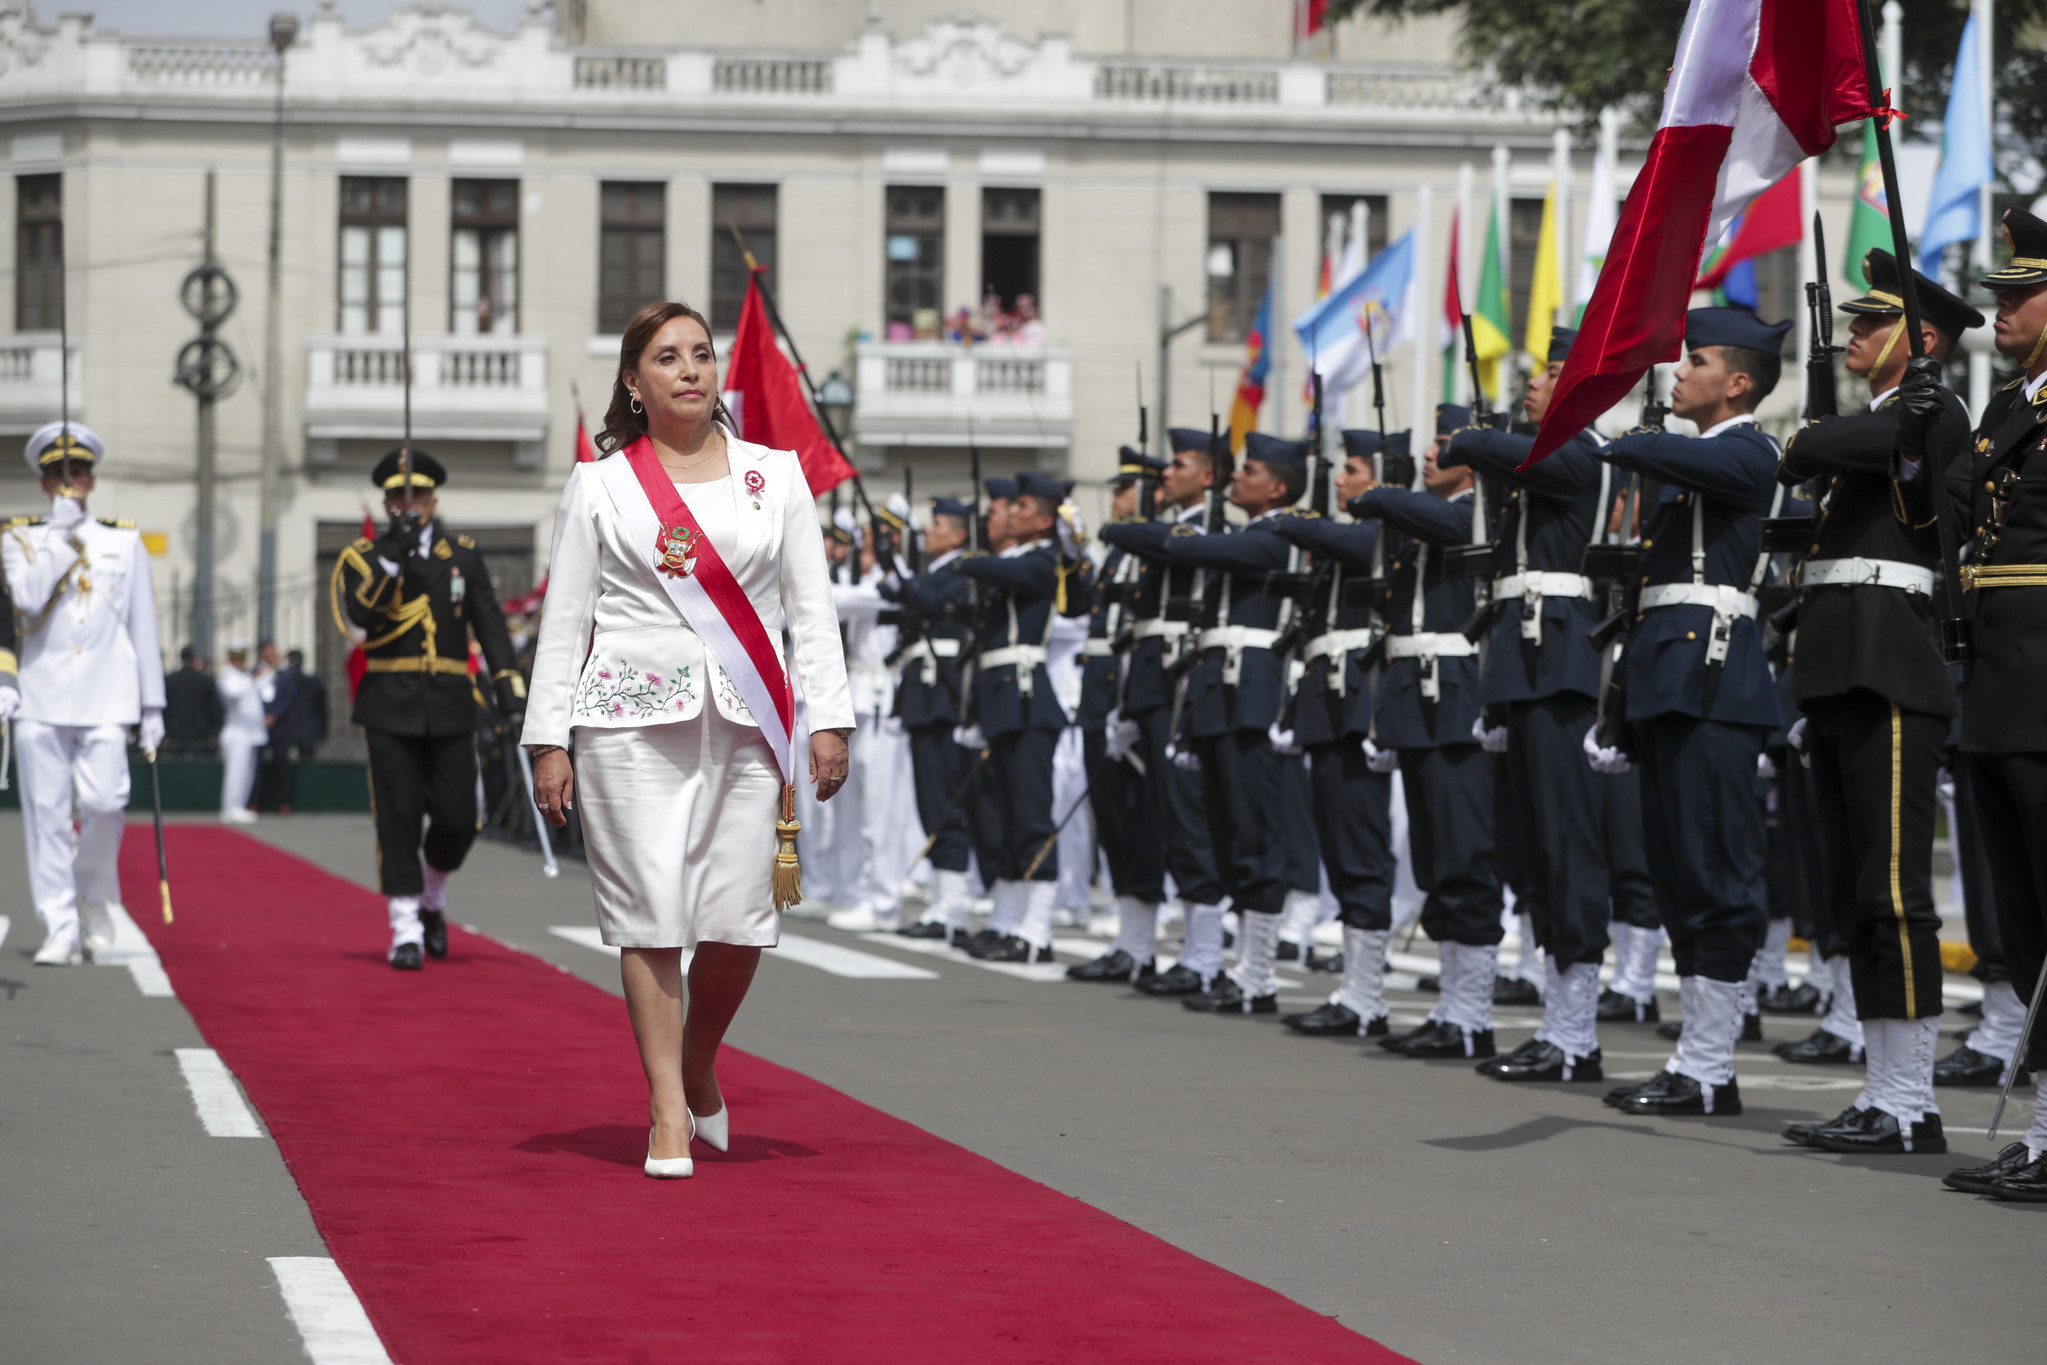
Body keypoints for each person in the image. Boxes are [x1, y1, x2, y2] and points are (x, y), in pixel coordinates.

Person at [523, 300, 853, 1179]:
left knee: (741, 919)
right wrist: (546, 736)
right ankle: (668, 1105)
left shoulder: (773, 476)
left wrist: (828, 717)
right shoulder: (601, 484)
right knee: (651, 915)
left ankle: (700, 1056)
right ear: (634, 381)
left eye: (701, 353)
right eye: (667, 357)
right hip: (628, 722)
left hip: (748, 721)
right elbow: (566, 619)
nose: (690, 369)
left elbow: (810, 612)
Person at [1769, 249, 1978, 1157]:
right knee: (1856, 891)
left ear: (1920, 339)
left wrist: (1826, 431)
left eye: (1870, 323)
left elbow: (1809, 448)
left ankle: (1907, 1102)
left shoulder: (1937, 414)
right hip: (1840, 662)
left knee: (1895, 894)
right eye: (1850, 324)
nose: (1852, 335)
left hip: (1890, 664)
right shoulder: (1894, 419)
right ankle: (1883, 1092)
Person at [1590, 307, 1789, 1119]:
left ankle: (1710, 1064)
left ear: (1736, 382)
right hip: (1665, 679)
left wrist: (1621, 435)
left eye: (1694, 359)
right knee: (1672, 874)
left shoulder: (1748, 448)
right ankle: (1696, 1058)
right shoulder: (1691, 457)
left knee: (1714, 874)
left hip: (1709, 679)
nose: (1679, 371)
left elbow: (1662, 454)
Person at [1439, 327, 1615, 1083]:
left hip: (1559, 667)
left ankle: (1576, 1032)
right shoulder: (1536, 460)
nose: (1534, 383)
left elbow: (1510, 453)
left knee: (1567, 849)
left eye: (1550, 373)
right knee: (1530, 850)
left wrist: (1472, 437)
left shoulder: (1580, 452)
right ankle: (1557, 1021)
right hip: (1519, 668)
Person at [1105, 432, 1307, 1015]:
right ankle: (1240, 967)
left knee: (1254, 836)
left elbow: (1192, 551)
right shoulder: (1249, 533)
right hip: (1219, 698)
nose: (1238, 478)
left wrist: (1125, 527)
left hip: (1254, 699)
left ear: (1279, 486)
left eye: (1251, 470)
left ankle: (1258, 974)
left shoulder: (1280, 533)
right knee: (1226, 833)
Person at [1940, 209, 2047, 1200]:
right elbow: (1954, 499)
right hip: (2001, 686)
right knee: (2020, 922)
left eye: (2020, 293)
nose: (2000, 308)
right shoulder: (2012, 404)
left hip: (2044, 681)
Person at [328, 444, 523, 969]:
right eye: (398, 496)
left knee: (461, 818)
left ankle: (433, 895)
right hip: (390, 704)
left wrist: (510, 691)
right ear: (387, 502)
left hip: (451, 702)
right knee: (398, 817)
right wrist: (392, 556)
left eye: (417, 495)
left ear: (434, 500)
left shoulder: (461, 554)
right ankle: (405, 926)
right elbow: (360, 624)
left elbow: (489, 624)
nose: (408, 504)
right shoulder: (362, 559)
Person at [1349, 405, 1502, 1059]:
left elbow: (1450, 526)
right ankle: (1450, 1004)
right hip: (1415, 698)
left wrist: (1378, 493)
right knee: (1435, 855)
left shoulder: (1487, 508)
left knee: (1465, 854)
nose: (1435, 454)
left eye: (1449, 444)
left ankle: (1472, 1011)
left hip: (1459, 694)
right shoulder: (1414, 523)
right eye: (1433, 444)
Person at [0, 421, 164, 966]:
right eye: (58, 474)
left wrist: (153, 704)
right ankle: (59, 922)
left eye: (78, 472)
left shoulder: (125, 539)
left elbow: (143, 626)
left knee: (104, 802)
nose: (70, 481)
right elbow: (24, 601)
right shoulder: (20, 537)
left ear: (91, 479)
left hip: (107, 694)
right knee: (45, 815)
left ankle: (94, 892)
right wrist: (60, 542)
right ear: (45, 484)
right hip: (42, 695)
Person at [1269, 428, 1401, 1037]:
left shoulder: (1382, 530)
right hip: (1327, 704)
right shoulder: (1339, 539)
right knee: (1341, 852)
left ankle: (1368, 992)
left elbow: (1340, 536)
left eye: (1353, 471)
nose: (1344, 482)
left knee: (1361, 849)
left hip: (1359, 707)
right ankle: (1356, 986)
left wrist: (1290, 511)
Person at [1101, 429, 1231, 997]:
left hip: (1185, 686)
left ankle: (1205, 955)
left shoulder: (1208, 530)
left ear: (1207, 476)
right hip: (1151, 687)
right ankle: (1174, 947)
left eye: (1175, 466)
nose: (1162, 478)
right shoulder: (1168, 532)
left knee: (1189, 821)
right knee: (1156, 819)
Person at [949, 470, 1071, 963]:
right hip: (998, 702)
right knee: (1000, 817)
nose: (1009, 514)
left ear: (1043, 520)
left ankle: (1037, 930)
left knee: (1031, 814)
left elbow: (1022, 577)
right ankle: (1007, 921)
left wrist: (972, 561)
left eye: (1021, 508)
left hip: (1027, 701)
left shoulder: (1043, 559)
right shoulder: (1005, 564)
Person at [1068, 453, 1169, 984]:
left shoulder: (1148, 549)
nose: (1117, 497)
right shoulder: (1116, 553)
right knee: (1113, 821)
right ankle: (1128, 940)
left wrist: (1125, 704)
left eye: (1127, 488)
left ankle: (1144, 943)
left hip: (1127, 692)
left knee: (1140, 820)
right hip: (1098, 693)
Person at [885, 496, 977, 943]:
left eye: (936, 523)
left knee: (945, 807)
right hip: (924, 697)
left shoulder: (962, 572)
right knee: (931, 803)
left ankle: (953, 909)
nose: (928, 530)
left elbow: (926, 601)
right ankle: (944, 905)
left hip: (944, 696)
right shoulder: (935, 571)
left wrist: (901, 577)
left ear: (958, 534)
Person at [216, 643, 267, 825]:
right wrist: (252, 680)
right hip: (236, 733)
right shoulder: (228, 676)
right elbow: (232, 693)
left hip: (251, 733)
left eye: (243, 659)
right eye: (238, 659)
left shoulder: (244, 676)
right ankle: (230, 807)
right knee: (236, 773)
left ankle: (240, 805)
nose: (241, 662)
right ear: (231, 659)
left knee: (246, 773)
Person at [162, 645, 222, 757]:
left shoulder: (170, 680)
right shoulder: (205, 680)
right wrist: (214, 733)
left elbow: (165, 708)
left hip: (175, 734)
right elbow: (216, 708)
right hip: (201, 735)